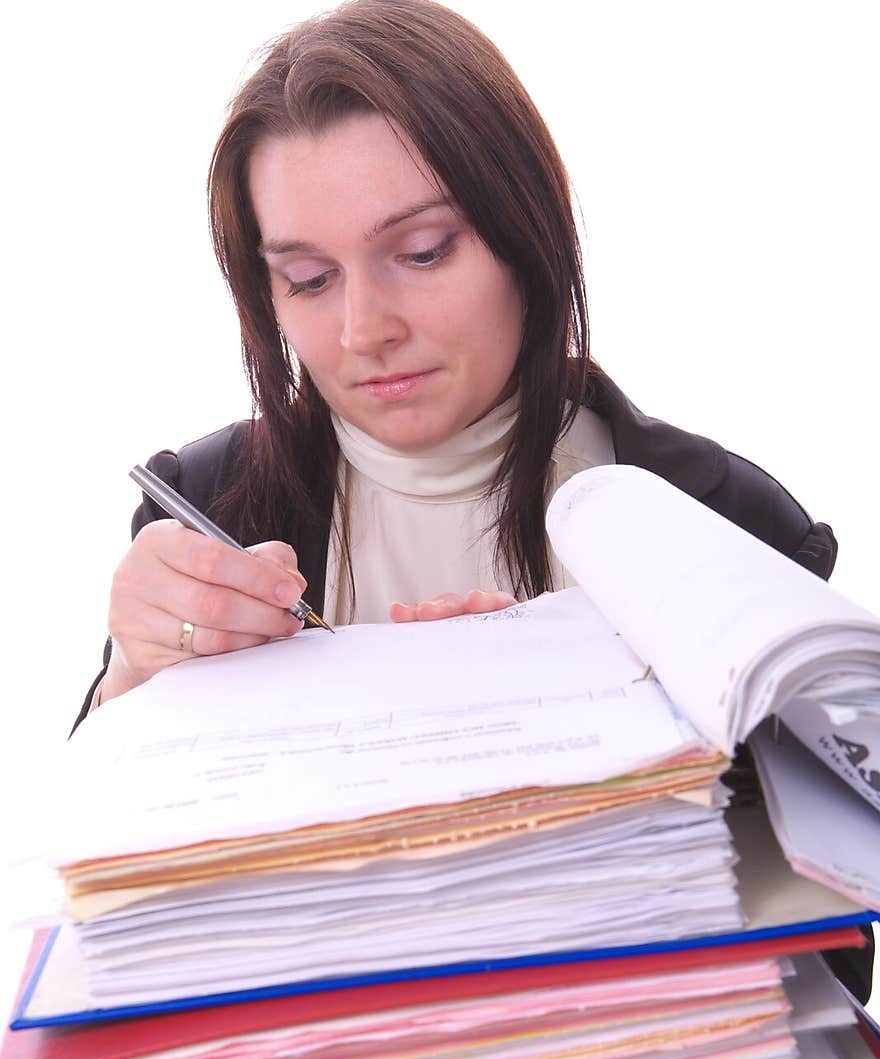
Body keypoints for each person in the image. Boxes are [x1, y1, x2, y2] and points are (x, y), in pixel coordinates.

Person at [73, 0, 872, 1003]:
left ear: (523, 239)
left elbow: (835, 961)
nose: (365, 330)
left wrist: (607, 751)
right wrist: (134, 681)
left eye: (421, 253)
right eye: (308, 278)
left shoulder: (725, 522)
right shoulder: (205, 506)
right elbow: (94, 934)